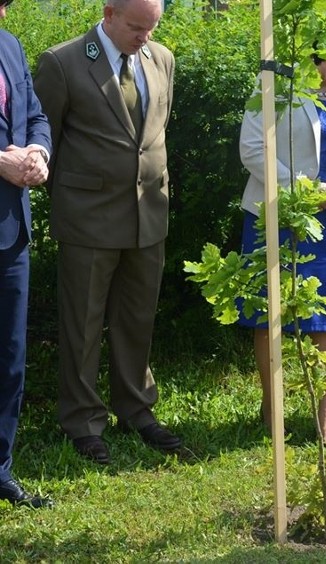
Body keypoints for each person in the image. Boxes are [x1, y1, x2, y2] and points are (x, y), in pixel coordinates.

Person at [33, 0, 179, 465]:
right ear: (109, 13)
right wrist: (76, 198)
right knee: (83, 325)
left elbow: (155, 132)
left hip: (148, 215)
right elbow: (47, 140)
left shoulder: (163, 58)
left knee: (138, 318)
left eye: (151, 28)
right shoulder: (63, 61)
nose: (144, 37)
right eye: (136, 27)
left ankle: (136, 408)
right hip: (88, 219)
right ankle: (82, 421)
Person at [238, 12, 326, 442]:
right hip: (273, 216)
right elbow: (251, 147)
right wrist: (298, 189)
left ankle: (325, 416)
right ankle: (271, 406)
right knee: (269, 317)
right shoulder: (277, 82)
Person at [0, 0, 53, 508]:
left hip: (10, 230)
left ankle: (0, 470)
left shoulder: (10, 45)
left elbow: (34, 115)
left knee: (10, 358)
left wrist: (38, 152)